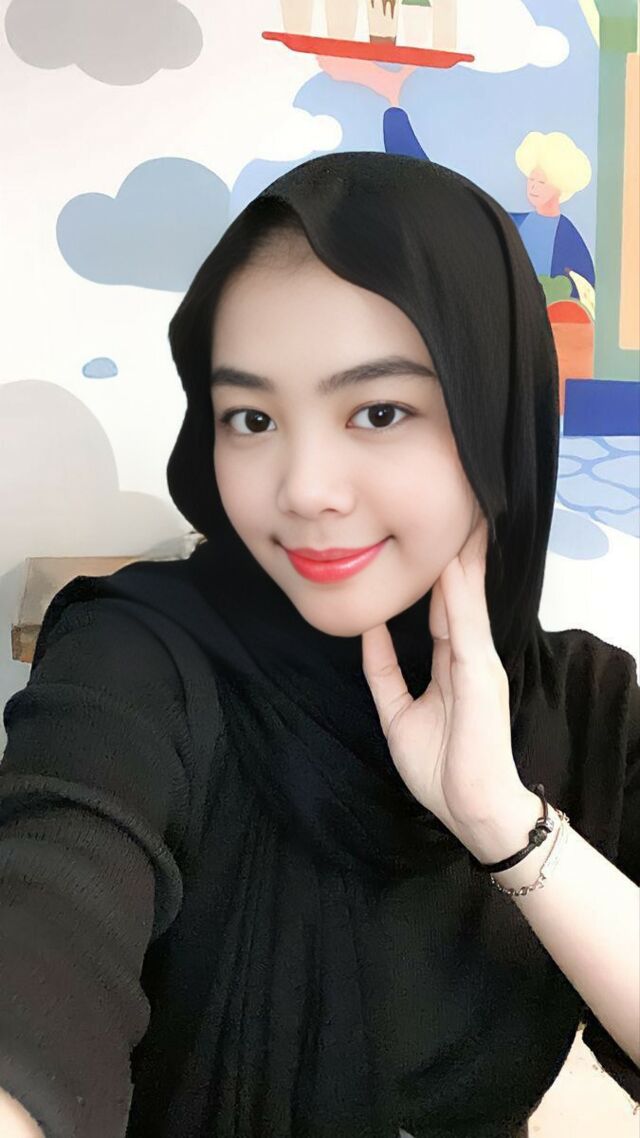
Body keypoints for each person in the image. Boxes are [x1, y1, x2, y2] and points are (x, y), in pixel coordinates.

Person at [0, 151, 638, 1138]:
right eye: (251, 417)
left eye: (379, 411)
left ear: (499, 421)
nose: (301, 488)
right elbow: (49, 905)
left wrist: (505, 821)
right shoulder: (139, 655)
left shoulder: (590, 705)